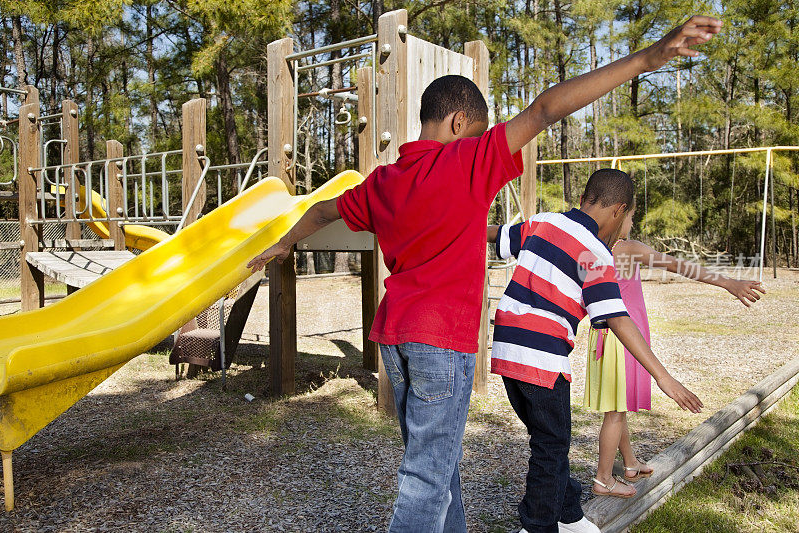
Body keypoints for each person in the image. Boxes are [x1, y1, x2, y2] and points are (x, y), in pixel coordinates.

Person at [247, 15, 723, 533]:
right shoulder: (464, 163)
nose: (478, 141)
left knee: (439, 465)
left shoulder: (382, 181)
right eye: (474, 133)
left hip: (394, 340)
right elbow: (545, 109)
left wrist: (280, 244)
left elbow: (321, 212)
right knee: (425, 480)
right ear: (458, 124)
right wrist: (649, 58)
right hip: (440, 342)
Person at [487, 170, 704, 533]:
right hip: (542, 358)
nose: (626, 226)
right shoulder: (595, 255)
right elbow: (617, 318)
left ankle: (569, 514)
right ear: (619, 210)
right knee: (550, 447)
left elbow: (496, 236)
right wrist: (664, 377)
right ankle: (537, 526)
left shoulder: (545, 221)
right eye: (630, 217)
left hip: (507, 348)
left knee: (550, 438)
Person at [585, 203, 764, 499]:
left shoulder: (590, 250)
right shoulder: (628, 248)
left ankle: (630, 464)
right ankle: (603, 480)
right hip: (623, 340)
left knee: (617, 406)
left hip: (602, 337)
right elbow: (680, 266)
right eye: (631, 217)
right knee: (615, 413)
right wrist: (728, 282)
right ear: (620, 216)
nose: (632, 223)